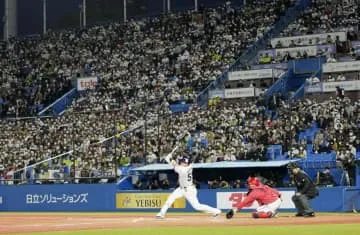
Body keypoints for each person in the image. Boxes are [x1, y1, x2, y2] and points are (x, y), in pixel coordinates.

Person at [156, 147, 221, 219]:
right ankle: (161, 214)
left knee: (197, 206)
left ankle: (216, 211)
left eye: (184, 162)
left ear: (187, 163)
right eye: (182, 162)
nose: (182, 163)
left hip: (189, 190)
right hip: (181, 189)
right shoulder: (186, 166)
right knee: (170, 199)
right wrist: (170, 159)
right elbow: (175, 164)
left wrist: (169, 158)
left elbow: (174, 164)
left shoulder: (183, 169)